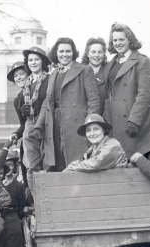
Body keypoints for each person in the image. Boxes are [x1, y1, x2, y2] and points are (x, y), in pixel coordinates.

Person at [35, 37, 100, 171]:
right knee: (58, 165)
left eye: (68, 51)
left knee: (77, 165)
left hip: (77, 127)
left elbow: (93, 100)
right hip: (55, 126)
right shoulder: (53, 74)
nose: (64, 54)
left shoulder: (84, 70)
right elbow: (47, 103)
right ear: (56, 53)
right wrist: (39, 125)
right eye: (61, 51)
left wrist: (91, 126)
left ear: (73, 53)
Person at [103, 22, 150, 158]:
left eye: (121, 39)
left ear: (130, 40)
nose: (118, 43)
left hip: (135, 124)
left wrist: (134, 120)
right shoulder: (111, 64)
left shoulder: (141, 61)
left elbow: (144, 94)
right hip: (115, 124)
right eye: (115, 40)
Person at [13, 47, 50, 198]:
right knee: (32, 167)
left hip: (47, 126)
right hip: (30, 130)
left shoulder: (49, 79)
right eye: (30, 60)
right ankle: (38, 202)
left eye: (37, 59)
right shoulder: (22, 92)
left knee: (49, 165)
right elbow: (23, 124)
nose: (33, 62)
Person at [0, 150, 26, 247]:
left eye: (10, 164)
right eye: (5, 165)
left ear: (14, 166)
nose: (8, 167)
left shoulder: (19, 186)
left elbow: (21, 207)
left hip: (12, 220)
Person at [82, 37, 108, 113]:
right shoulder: (80, 72)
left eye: (100, 52)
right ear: (87, 54)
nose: (96, 55)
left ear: (104, 54)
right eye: (93, 52)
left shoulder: (108, 72)